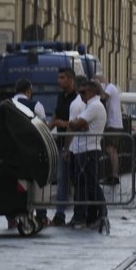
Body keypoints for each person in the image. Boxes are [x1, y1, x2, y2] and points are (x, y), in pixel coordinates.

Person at [69, 75, 107, 229]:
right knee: (83, 184)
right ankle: (90, 215)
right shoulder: (89, 106)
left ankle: (100, 212)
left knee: (90, 183)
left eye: (83, 93)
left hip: (88, 150)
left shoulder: (94, 106)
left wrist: (77, 123)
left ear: (91, 91)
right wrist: (78, 123)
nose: (80, 95)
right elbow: (78, 124)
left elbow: (76, 124)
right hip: (84, 149)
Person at [48, 67, 80, 226]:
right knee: (62, 180)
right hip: (62, 143)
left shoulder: (78, 99)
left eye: (62, 78)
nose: (58, 81)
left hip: (76, 145)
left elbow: (79, 122)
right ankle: (59, 215)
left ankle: (80, 213)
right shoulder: (61, 97)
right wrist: (48, 127)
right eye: (58, 77)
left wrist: (64, 123)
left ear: (70, 80)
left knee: (76, 180)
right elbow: (56, 114)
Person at [95, 71, 124, 186]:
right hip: (111, 124)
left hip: (114, 124)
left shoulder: (110, 87)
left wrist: (97, 85)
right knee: (110, 150)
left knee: (111, 149)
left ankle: (115, 175)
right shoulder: (111, 88)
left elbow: (102, 96)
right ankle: (113, 174)